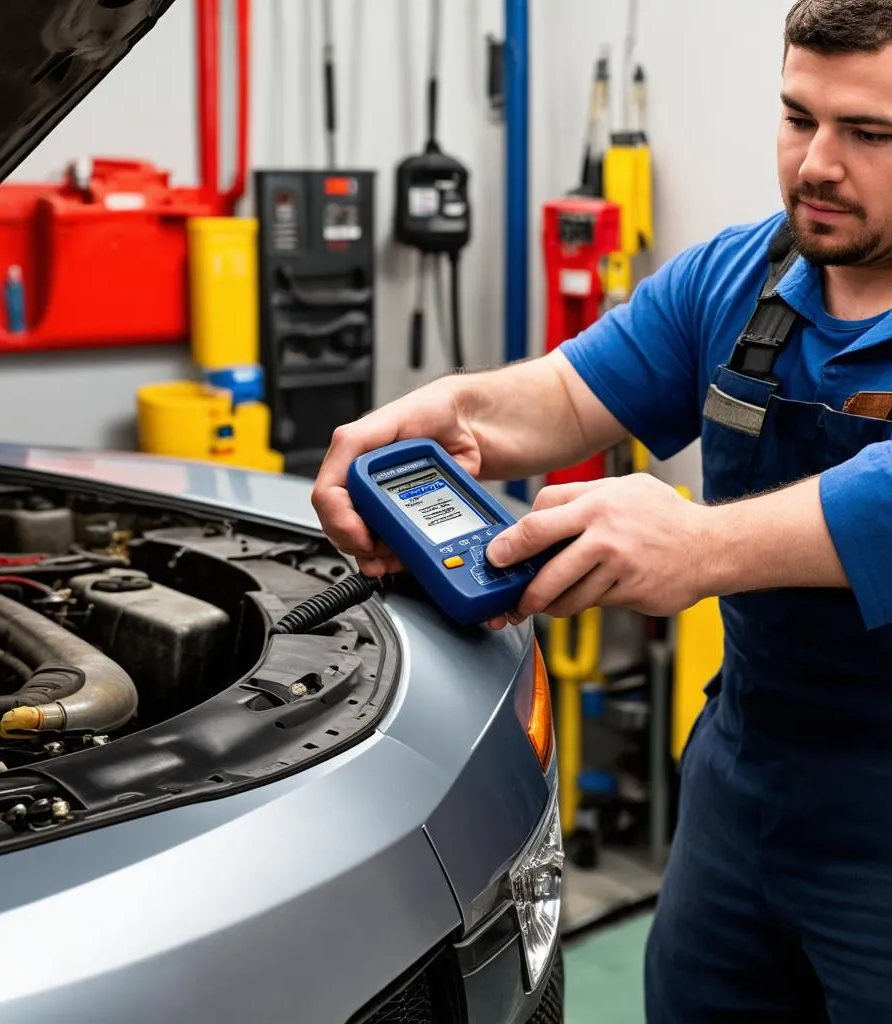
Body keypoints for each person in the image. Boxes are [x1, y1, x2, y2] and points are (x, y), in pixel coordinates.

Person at [311, 0, 892, 1019]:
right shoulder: (743, 275)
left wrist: (700, 542)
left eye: (869, 134)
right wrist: (461, 413)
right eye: (799, 118)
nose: (816, 164)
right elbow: (575, 395)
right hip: (745, 782)